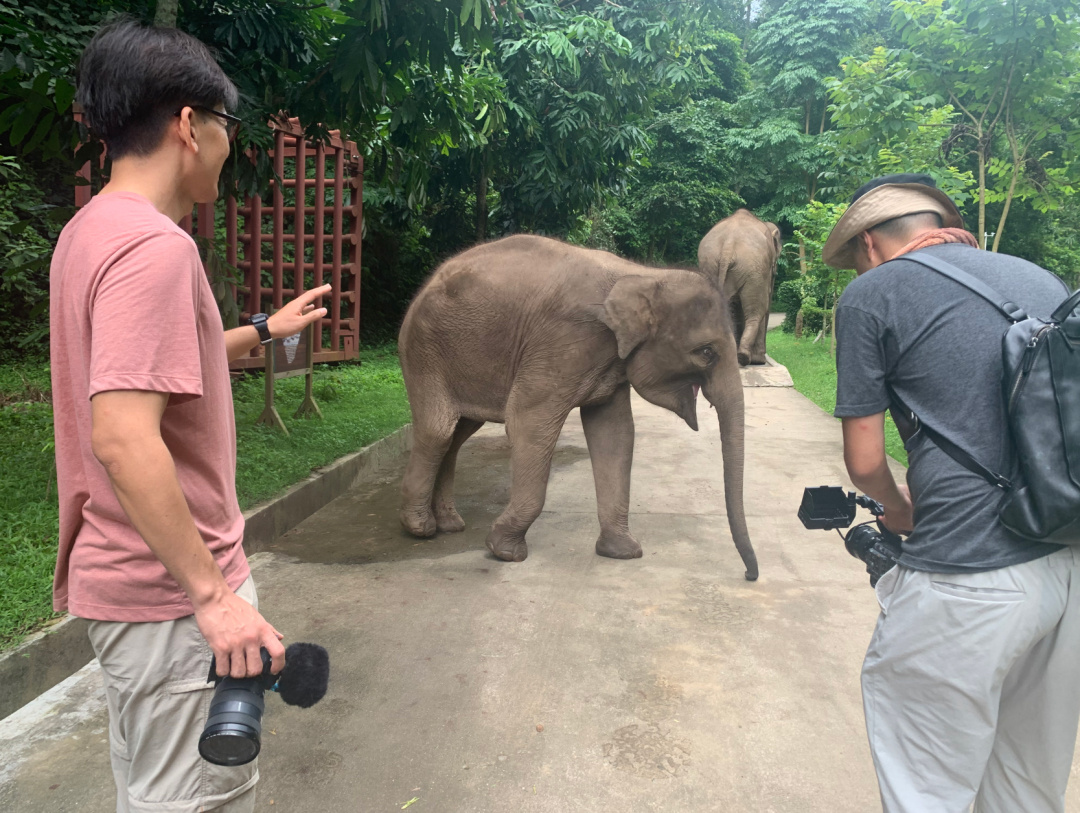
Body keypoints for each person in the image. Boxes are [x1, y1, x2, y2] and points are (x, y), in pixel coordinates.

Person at [50, 19, 331, 813]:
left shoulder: (91, 232)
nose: (227, 143)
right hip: (171, 594)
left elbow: (163, 369)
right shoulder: (156, 250)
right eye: (225, 124)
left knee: (152, 790)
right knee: (193, 799)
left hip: (131, 585)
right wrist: (212, 595)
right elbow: (123, 434)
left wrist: (266, 330)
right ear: (187, 124)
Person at [822, 173, 1080, 812]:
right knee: (1026, 787)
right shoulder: (1040, 279)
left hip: (967, 576)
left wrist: (899, 511)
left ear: (870, 243)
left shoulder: (873, 294)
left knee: (925, 790)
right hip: (1065, 562)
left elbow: (865, 462)